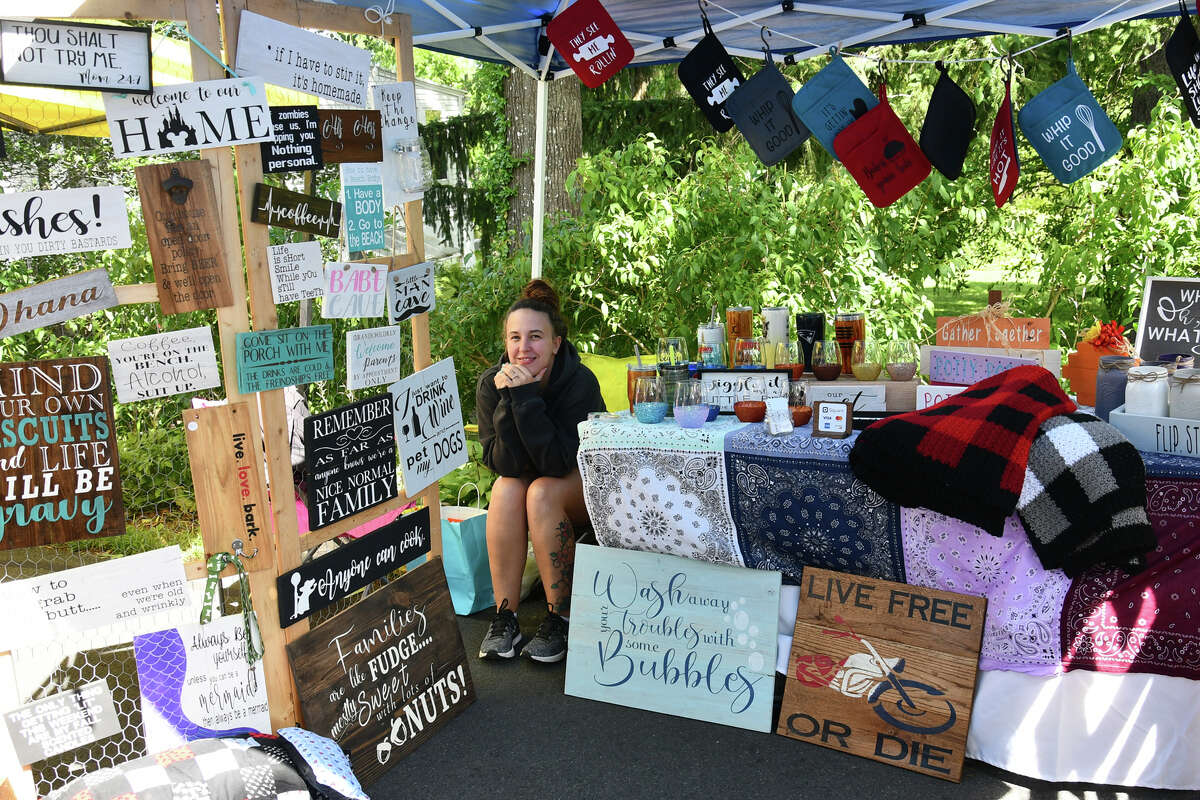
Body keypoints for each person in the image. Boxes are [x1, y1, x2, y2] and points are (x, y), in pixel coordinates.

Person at [475, 279, 605, 662]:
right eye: (515, 338)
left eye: (535, 337)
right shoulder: (491, 385)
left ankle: (559, 616)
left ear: (556, 343)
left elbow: (559, 462)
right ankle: (505, 616)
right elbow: (504, 464)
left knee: (541, 491)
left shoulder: (578, 383)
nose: (523, 348)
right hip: (529, 479)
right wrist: (509, 401)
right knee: (506, 489)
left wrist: (528, 399)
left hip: (579, 485)